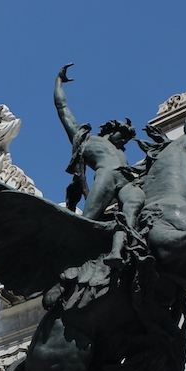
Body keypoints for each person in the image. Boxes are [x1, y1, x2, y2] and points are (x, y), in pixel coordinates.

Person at [54, 64, 146, 263]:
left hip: (127, 181)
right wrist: (59, 82)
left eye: (125, 141)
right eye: (121, 137)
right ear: (110, 131)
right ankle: (71, 260)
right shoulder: (88, 140)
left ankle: (118, 249)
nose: (123, 143)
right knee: (86, 223)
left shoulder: (121, 154)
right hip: (106, 176)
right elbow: (63, 110)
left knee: (135, 205)